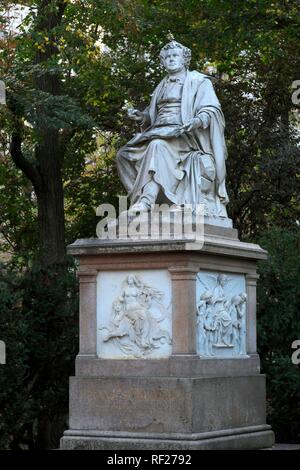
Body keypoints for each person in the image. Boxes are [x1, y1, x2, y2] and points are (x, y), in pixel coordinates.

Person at [117, 39, 229, 218]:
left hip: (184, 135)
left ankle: (147, 200)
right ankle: (146, 198)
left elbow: (211, 109)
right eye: (167, 57)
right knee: (123, 155)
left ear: (184, 59)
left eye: (175, 55)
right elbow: (153, 114)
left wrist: (196, 121)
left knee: (157, 146)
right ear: (162, 61)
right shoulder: (161, 85)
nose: (171, 59)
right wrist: (142, 117)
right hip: (157, 131)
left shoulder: (199, 81)